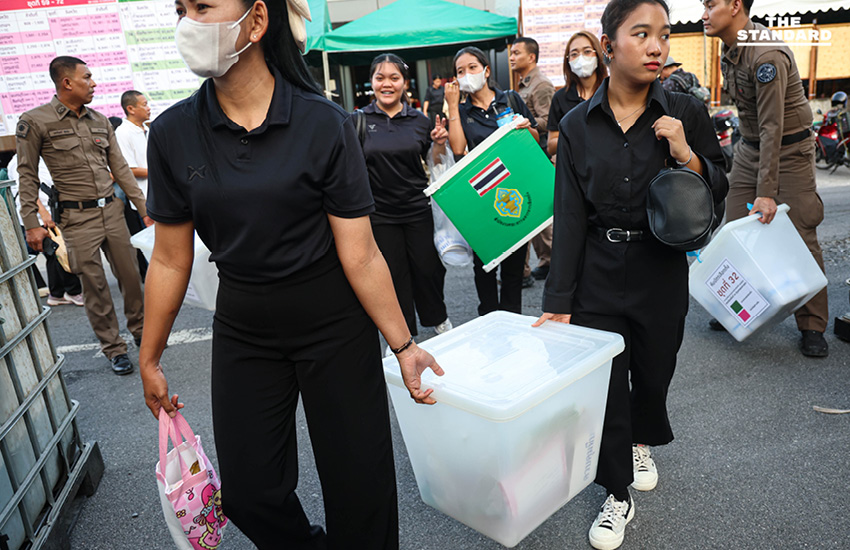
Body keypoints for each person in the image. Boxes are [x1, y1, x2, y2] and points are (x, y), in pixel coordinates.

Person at [139, 1, 443, 549]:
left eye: (202, 6)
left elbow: (363, 254)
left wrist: (403, 345)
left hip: (334, 324)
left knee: (361, 489)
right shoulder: (172, 132)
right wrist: (150, 356)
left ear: (256, 20)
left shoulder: (323, 122)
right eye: (180, 9)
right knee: (251, 493)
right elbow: (168, 257)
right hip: (245, 326)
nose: (186, 22)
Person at [533, 1, 727, 548]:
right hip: (596, 271)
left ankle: (643, 437)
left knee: (654, 370)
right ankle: (617, 493)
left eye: (662, 35)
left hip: (660, 269)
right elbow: (569, 214)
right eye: (640, 34)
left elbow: (718, 186)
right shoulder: (575, 124)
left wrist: (686, 154)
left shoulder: (685, 110)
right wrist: (559, 298)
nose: (656, 46)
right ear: (608, 43)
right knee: (606, 387)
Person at [702, 0, 829, 357]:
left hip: (789, 150)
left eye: (710, 5)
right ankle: (739, 309)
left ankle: (812, 325)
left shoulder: (765, 54)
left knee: (801, 232)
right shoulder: (731, 48)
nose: (704, 13)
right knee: (736, 226)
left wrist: (767, 192)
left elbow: (774, 127)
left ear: (735, 5)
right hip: (751, 146)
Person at [16, 56, 151, 376]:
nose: (93, 83)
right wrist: (32, 223)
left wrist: (145, 210)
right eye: (87, 78)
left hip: (112, 213)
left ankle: (141, 333)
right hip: (76, 220)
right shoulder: (36, 121)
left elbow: (120, 170)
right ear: (67, 83)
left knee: (132, 278)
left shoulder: (100, 120)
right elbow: (27, 175)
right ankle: (114, 349)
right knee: (95, 287)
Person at [359, 53, 452, 341]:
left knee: (428, 269)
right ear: (372, 82)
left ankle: (437, 317)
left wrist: (438, 144)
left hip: (416, 209)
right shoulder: (358, 121)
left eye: (394, 78)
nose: (387, 84)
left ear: (404, 83)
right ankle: (402, 334)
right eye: (380, 77)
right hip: (379, 213)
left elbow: (435, 162)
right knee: (392, 275)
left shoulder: (420, 121)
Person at [445, 46, 539, 316]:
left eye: (472, 68)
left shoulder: (510, 99)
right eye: (460, 71)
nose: (467, 74)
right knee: (484, 265)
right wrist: (453, 106)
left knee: (514, 266)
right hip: (482, 195)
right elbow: (459, 148)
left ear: (486, 70)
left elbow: (534, 140)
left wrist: (525, 130)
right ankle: (488, 317)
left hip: (515, 191)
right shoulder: (462, 111)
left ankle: (513, 317)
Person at [7, 154, 84, 307]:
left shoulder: (43, 155)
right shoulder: (20, 159)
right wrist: (43, 214)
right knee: (58, 251)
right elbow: (26, 189)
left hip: (52, 212)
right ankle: (72, 291)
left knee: (54, 253)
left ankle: (57, 294)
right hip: (38, 216)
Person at [511, 37, 556, 284]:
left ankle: (549, 262)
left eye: (516, 52)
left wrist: (522, 124)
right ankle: (535, 265)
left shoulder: (541, 85)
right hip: (526, 156)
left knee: (537, 212)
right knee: (527, 211)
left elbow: (549, 120)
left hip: (538, 154)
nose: (511, 57)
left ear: (531, 57)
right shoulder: (523, 85)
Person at [115, 89, 152, 279]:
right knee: (151, 243)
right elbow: (127, 170)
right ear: (130, 108)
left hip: (159, 194)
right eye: (144, 104)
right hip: (143, 199)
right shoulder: (123, 133)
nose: (148, 108)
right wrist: (159, 172)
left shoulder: (148, 130)